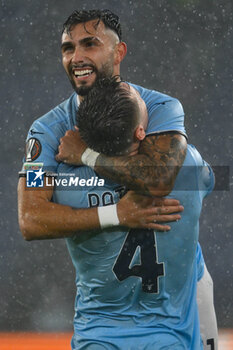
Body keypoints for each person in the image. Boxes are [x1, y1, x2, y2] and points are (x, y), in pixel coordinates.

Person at [17, 9, 217, 349]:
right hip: (140, 312)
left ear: (118, 52)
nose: (77, 57)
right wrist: (116, 214)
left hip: (172, 293)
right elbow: (30, 219)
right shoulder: (47, 131)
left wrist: (86, 158)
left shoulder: (160, 107)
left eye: (89, 44)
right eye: (68, 48)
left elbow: (159, 181)